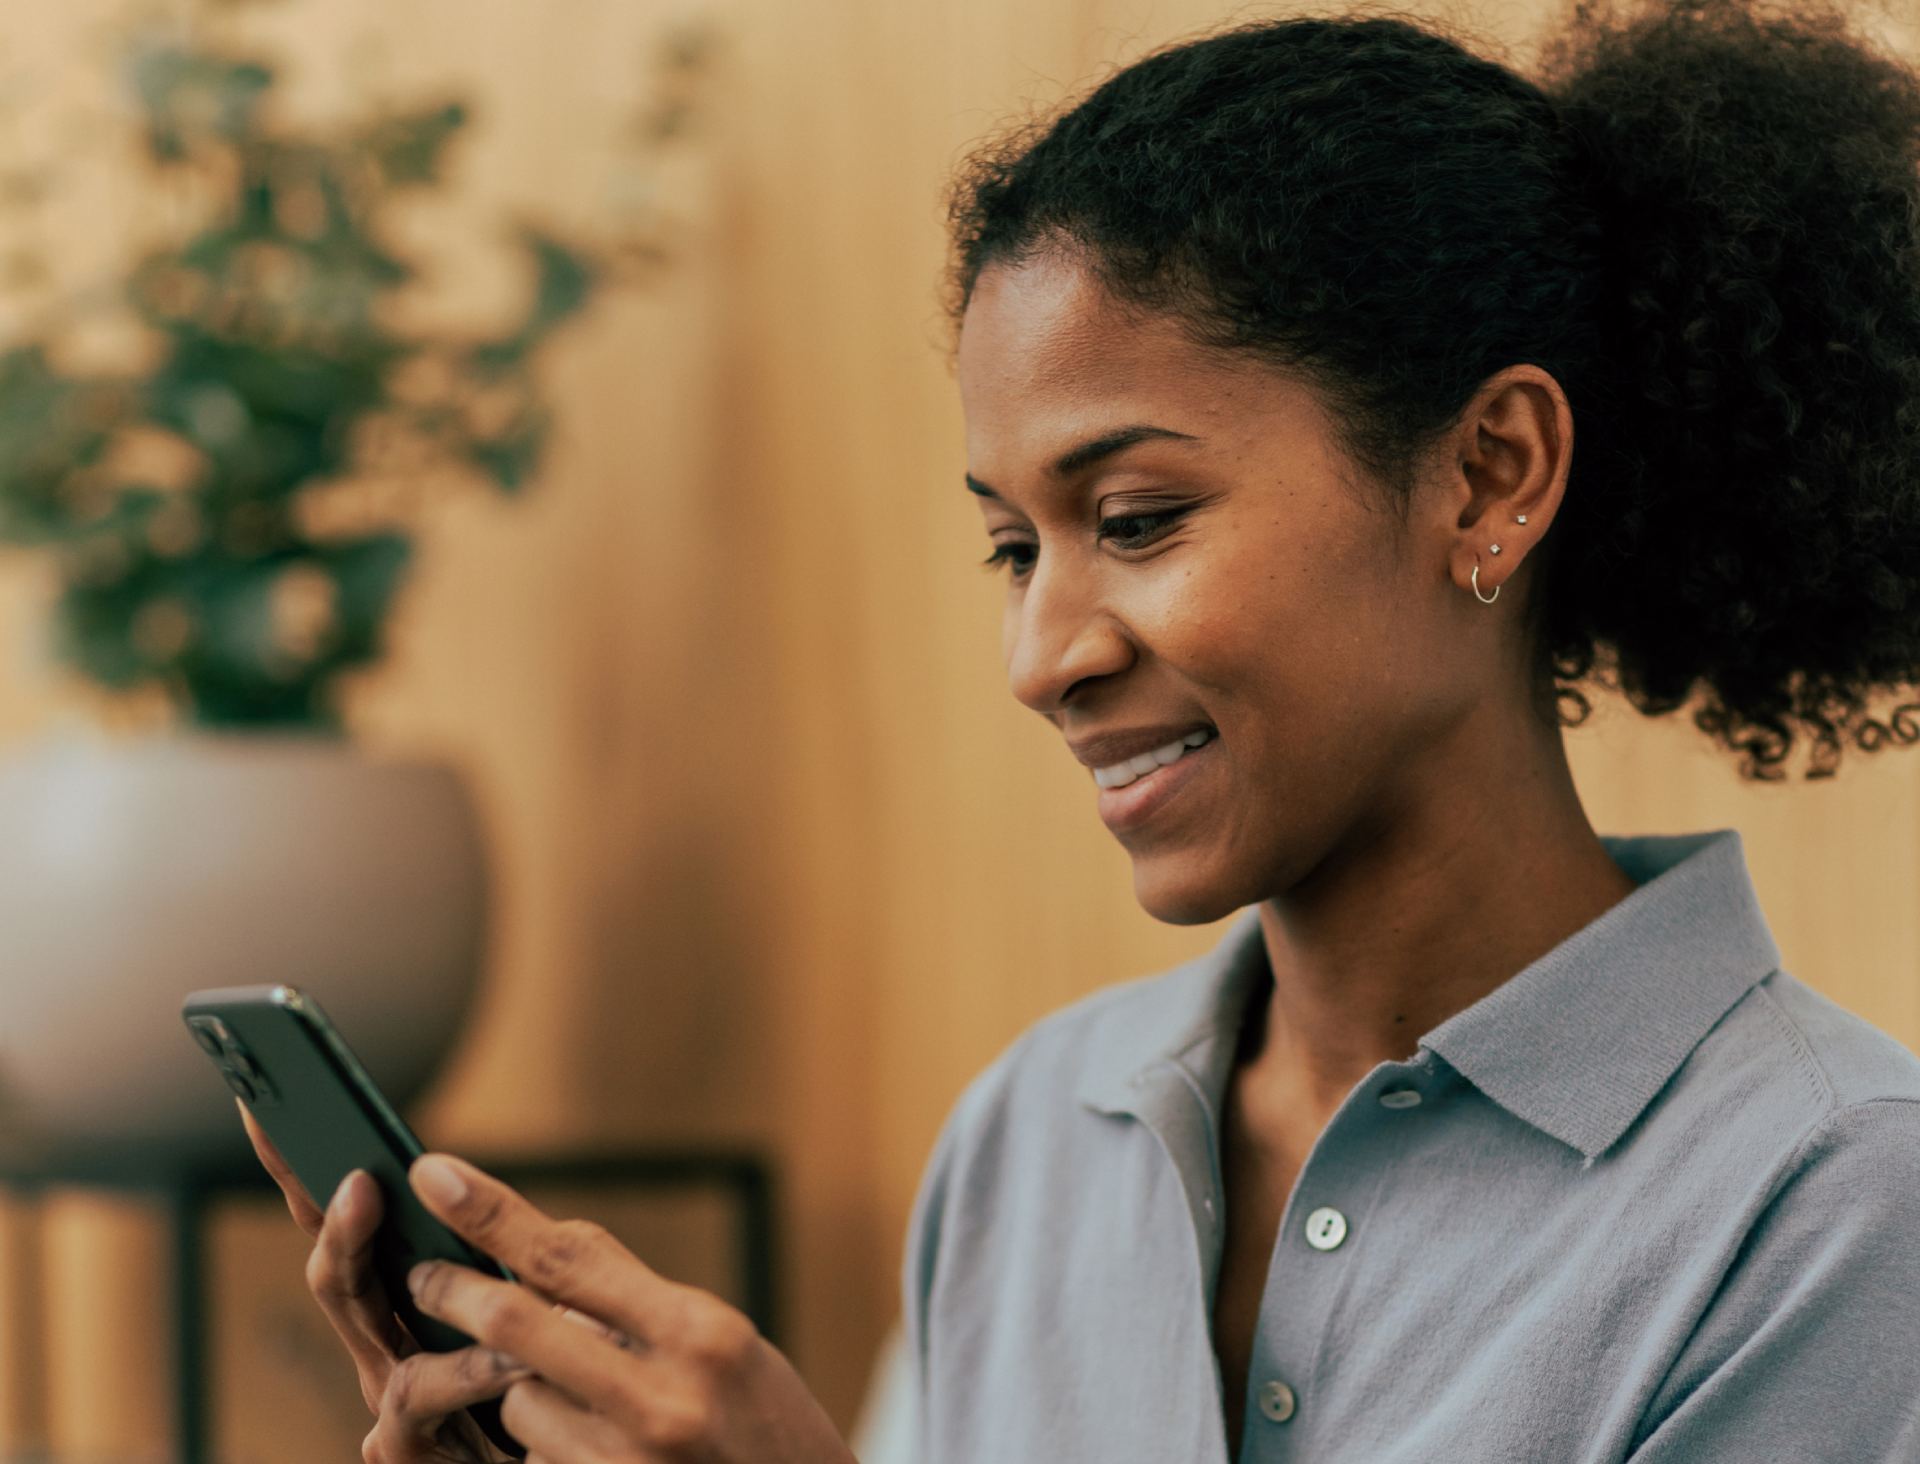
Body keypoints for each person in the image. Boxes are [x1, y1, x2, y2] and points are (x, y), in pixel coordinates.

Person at [242, 0, 1920, 1459]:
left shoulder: (1837, 1206)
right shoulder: (1040, 1132)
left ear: (1489, 474)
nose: (1042, 655)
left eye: (1135, 518)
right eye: (1009, 545)